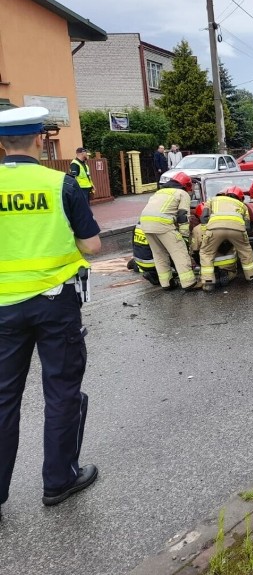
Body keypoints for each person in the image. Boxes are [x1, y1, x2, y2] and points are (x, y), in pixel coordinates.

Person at [0, 106, 102, 521]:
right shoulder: (60, 183)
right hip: (54, 303)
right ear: (40, 141)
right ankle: (59, 480)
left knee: (3, 397)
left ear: (2, 144)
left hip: (2, 307)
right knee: (60, 390)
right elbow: (93, 246)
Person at [138, 172, 200, 290]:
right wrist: (184, 236)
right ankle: (189, 283)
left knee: (159, 254)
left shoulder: (159, 192)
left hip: (145, 225)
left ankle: (166, 283)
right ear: (186, 185)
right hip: (163, 225)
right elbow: (182, 216)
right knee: (179, 252)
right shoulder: (182, 193)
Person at [199, 186, 253, 291]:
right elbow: (247, 226)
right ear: (240, 198)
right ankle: (251, 277)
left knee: (206, 253)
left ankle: (208, 283)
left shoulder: (213, 200)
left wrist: (206, 233)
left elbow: (204, 217)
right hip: (237, 229)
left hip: (215, 228)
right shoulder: (242, 206)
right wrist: (243, 239)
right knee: (246, 252)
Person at [190, 204, 238, 288]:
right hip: (229, 264)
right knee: (233, 273)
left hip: (208, 265)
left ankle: (210, 278)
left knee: (203, 274)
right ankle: (227, 274)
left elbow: (195, 250)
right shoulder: (225, 225)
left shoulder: (197, 229)